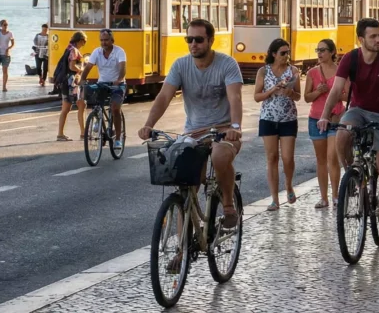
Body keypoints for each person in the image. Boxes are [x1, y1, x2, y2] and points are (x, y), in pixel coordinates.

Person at [138, 19, 244, 228]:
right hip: (194, 132)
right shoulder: (180, 65)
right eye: (189, 39)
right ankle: (183, 244)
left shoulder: (227, 64)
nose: (193, 44)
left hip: (223, 130)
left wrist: (235, 127)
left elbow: (235, 98)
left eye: (199, 39)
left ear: (211, 40)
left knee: (219, 157)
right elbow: (164, 97)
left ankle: (228, 205)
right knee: (186, 183)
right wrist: (148, 124)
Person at [317, 18, 379, 238]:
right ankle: (352, 176)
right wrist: (324, 116)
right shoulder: (351, 58)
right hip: (358, 110)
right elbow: (336, 89)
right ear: (360, 39)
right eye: (373, 36)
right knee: (342, 134)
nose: (378, 40)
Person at [253, 38, 301, 211]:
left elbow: (298, 96)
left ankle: (288, 185)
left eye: (288, 52)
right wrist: (273, 90)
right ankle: (274, 199)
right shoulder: (263, 71)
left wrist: (290, 92)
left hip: (288, 118)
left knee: (287, 158)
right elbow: (257, 96)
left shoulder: (293, 71)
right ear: (273, 54)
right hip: (268, 118)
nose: (286, 56)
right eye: (283, 53)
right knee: (272, 157)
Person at [304, 38, 344, 209]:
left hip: (335, 119)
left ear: (332, 52)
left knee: (332, 158)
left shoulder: (341, 71)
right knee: (321, 160)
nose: (319, 53)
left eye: (323, 50)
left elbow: (348, 95)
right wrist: (318, 92)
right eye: (317, 50)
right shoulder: (312, 73)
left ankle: (335, 196)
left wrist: (334, 93)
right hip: (316, 118)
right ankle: (323, 198)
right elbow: (307, 98)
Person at [80, 29, 128, 149]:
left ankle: (118, 139)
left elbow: (122, 67)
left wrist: (119, 79)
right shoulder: (97, 52)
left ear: (112, 40)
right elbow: (88, 67)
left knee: (115, 108)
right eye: (101, 40)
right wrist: (82, 79)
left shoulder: (119, 51)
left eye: (106, 40)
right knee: (95, 102)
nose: (103, 43)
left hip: (117, 84)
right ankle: (98, 119)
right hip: (102, 83)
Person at [55, 31, 87, 141]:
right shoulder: (74, 50)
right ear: (80, 40)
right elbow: (72, 66)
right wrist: (82, 70)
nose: (84, 44)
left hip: (65, 82)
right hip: (72, 83)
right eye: (84, 42)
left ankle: (60, 134)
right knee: (82, 104)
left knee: (65, 108)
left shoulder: (68, 48)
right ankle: (83, 133)